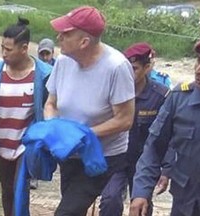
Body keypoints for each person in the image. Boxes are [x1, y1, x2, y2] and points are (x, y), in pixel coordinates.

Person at [44, 6, 135, 216]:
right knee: (73, 207)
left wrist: (84, 134)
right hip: (69, 152)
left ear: (84, 42)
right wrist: (52, 127)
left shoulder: (116, 67)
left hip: (102, 154)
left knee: (66, 212)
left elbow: (125, 120)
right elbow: (51, 103)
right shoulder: (64, 61)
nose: (58, 38)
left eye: (66, 34)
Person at [0, 18, 52, 216]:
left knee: (19, 190)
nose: (4, 53)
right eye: (2, 48)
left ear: (24, 48)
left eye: (8, 49)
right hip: (2, 145)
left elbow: (51, 108)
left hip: (25, 146)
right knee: (7, 191)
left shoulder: (43, 76)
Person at [129, 38, 200, 216]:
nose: (198, 70)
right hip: (185, 204)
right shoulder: (180, 98)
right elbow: (154, 147)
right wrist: (141, 191)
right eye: (198, 61)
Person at [99, 42, 170, 216]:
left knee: (141, 205)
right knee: (110, 199)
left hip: (144, 163)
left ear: (147, 67)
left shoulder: (161, 96)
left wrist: (166, 169)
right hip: (116, 158)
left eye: (135, 68)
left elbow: (167, 136)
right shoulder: (112, 90)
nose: (129, 73)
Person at [29, 37, 57, 190]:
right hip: (38, 111)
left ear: (53, 53)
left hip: (52, 112)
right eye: (42, 54)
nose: (45, 58)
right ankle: (33, 176)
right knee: (35, 145)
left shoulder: (58, 69)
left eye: (47, 54)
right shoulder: (35, 69)